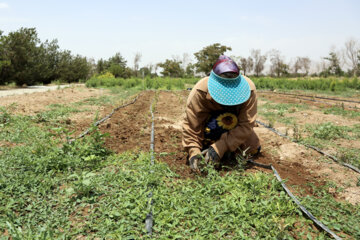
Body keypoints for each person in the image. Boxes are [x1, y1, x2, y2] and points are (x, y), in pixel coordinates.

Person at [182, 55, 260, 173]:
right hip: (208, 128)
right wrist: (193, 152)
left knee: (252, 147)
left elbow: (246, 124)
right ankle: (206, 147)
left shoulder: (248, 89)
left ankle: (225, 149)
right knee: (199, 147)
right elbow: (192, 126)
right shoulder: (200, 91)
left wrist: (221, 147)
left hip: (235, 129)